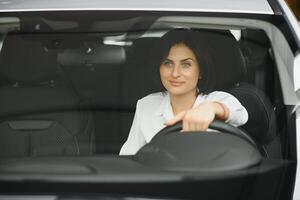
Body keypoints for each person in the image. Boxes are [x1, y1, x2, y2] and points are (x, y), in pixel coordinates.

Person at [119, 29, 248, 155]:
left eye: (185, 65)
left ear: (201, 71)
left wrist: (210, 109)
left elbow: (240, 115)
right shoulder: (147, 104)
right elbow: (130, 156)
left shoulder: (216, 99)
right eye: (168, 63)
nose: (175, 73)